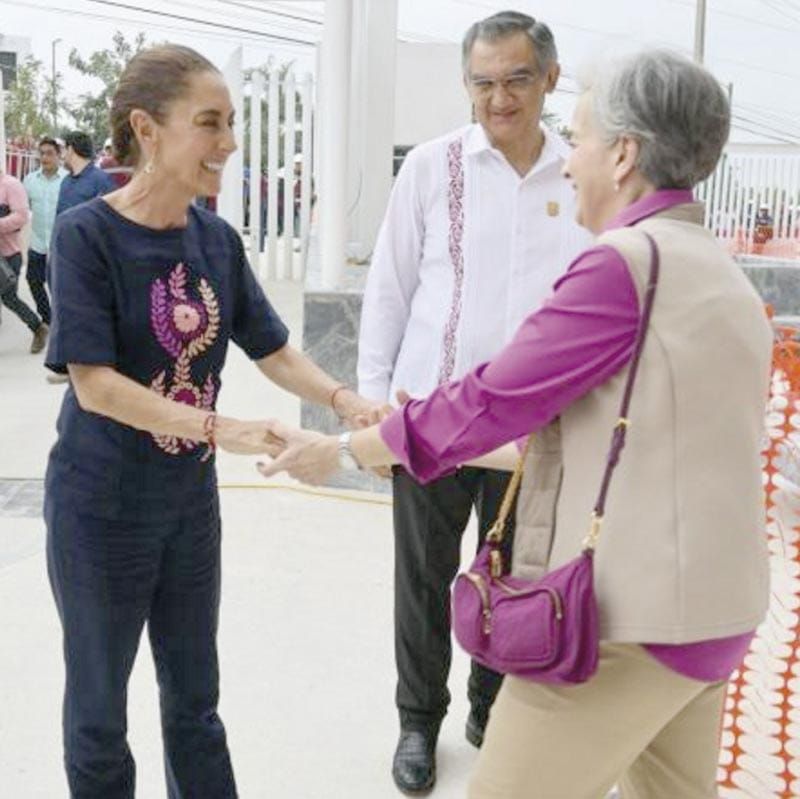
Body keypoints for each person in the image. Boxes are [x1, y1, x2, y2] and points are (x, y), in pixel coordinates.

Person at [260, 49, 773, 799]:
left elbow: (491, 397)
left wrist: (347, 448)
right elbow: (604, 443)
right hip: (715, 615)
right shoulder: (722, 275)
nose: (572, 164)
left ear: (625, 154)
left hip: (626, 624)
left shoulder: (623, 265)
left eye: (585, 137)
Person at [44, 44, 379, 799]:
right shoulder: (86, 236)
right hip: (101, 511)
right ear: (148, 128)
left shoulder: (215, 240)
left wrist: (343, 400)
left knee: (195, 704)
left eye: (230, 123)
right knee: (98, 717)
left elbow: (273, 348)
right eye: (211, 123)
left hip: (188, 513)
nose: (229, 142)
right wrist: (213, 427)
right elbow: (95, 384)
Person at [355, 11, 589, 792]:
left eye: (518, 78)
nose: (500, 97)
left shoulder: (578, 173)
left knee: (515, 579)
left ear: (550, 78)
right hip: (433, 418)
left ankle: (490, 704)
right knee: (420, 579)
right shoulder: (431, 166)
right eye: (483, 82)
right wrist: (372, 409)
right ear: (467, 86)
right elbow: (388, 289)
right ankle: (417, 721)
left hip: (534, 431)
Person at [0, 168, 49, 352]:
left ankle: (37, 327)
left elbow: (21, 217)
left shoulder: (11, 185)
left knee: (9, 298)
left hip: (8, 254)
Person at [23, 137, 67, 327]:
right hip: (38, 242)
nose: (44, 157)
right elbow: (24, 208)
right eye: (41, 153)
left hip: (62, 243)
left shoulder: (68, 180)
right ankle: (48, 318)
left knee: (60, 286)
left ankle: (64, 320)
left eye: (49, 153)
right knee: (33, 281)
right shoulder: (30, 180)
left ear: (59, 155)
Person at [56, 130, 115, 215]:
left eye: (63, 149)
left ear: (70, 149)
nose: (61, 156)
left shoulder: (102, 181)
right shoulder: (65, 182)